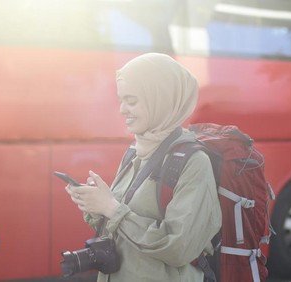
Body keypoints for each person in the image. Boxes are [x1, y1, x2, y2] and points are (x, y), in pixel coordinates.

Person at [65, 53, 222, 282]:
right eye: (121, 100)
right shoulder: (135, 152)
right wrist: (96, 205)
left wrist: (112, 208)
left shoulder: (194, 161)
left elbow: (179, 246)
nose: (122, 110)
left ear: (159, 98)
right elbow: (119, 227)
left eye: (132, 101)